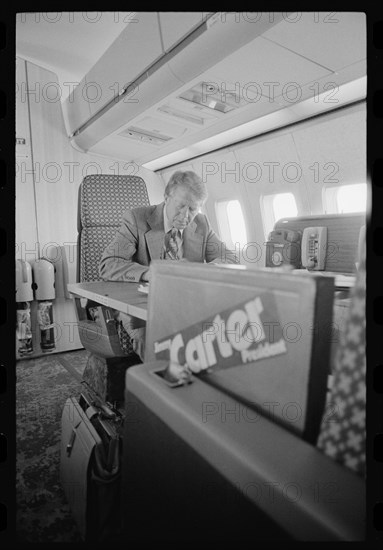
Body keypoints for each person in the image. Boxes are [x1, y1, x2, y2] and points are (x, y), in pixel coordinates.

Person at [99, 170, 239, 360]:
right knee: (153, 341)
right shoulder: (136, 219)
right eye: (180, 206)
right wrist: (152, 273)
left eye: (192, 209)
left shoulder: (201, 223)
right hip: (141, 308)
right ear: (166, 197)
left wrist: (196, 271)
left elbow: (230, 259)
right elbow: (108, 264)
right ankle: (160, 386)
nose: (185, 215)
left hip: (186, 303)